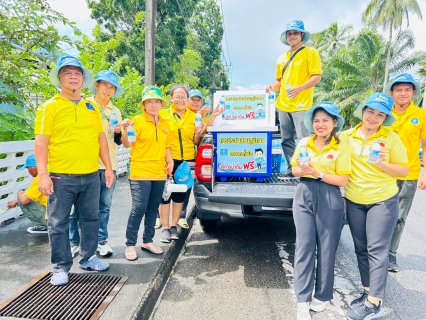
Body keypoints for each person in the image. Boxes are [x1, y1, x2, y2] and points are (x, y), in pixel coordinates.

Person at [34, 55, 114, 286]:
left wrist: (108, 168)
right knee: (58, 223)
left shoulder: (91, 107)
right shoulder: (49, 107)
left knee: (90, 219)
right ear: (59, 78)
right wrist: (43, 175)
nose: (73, 77)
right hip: (61, 177)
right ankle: (60, 267)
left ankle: (88, 257)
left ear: (83, 79)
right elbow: (41, 143)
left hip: (91, 176)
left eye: (77, 73)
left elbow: (101, 140)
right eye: (67, 73)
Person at [340, 93, 409, 320]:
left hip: (382, 200)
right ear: (363, 110)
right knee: (360, 248)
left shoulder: (390, 138)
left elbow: (404, 171)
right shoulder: (346, 136)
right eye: (370, 111)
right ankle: (369, 292)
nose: (373, 117)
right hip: (354, 200)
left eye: (380, 114)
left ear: (385, 118)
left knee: (377, 250)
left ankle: (374, 304)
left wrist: (381, 163)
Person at [291, 102, 351, 320]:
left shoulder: (340, 146)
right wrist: (305, 171)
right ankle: (302, 300)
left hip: (329, 194)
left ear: (334, 122)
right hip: (304, 193)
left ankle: (323, 295)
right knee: (304, 246)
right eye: (316, 120)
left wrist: (317, 173)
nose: (320, 124)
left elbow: (342, 179)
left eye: (326, 120)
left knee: (327, 246)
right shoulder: (305, 142)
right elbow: (295, 169)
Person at [69, 70, 124, 258]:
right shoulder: (85, 105)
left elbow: (117, 141)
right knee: (79, 206)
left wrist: (118, 132)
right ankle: (75, 242)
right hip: (87, 164)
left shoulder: (115, 111)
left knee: (104, 206)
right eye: (105, 85)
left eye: (111, 87)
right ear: (96, 85)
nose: (108, 90)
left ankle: (101, 242)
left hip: (110, 164)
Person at [121, 86, 173, 260]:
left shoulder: (165, 123)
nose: (153, 105)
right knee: (138, 208)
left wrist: (170, 161)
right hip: (140, 171)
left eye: (156, 101)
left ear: (161, 104)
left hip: (159, 172)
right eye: (149, 102)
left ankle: (147, 240)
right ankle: (130, 244)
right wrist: (126, 129)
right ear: (144, 104)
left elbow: (166, 145)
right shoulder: (136, 121)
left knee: (152, 209)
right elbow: (128, 145)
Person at [266, 20, 322, 179]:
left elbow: (317, 76)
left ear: (302, 35)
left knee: (304, 139)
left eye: (295, 33)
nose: (292, 36)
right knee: (286, 139)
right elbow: (279, 82)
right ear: (286, 37)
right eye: (289, 33)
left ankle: (307, 170)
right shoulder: (281, 58)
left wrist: (300, 88)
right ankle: (293, 169)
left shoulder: (310, 52)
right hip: (283, 105)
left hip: (302, 105)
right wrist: (271, 86)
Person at [384, 73, 426, 272]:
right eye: (398, 90)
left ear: (414, 93)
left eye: (407, 90)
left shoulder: (421, 115)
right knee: (379, 214)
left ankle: (391, 254)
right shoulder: (383, 113)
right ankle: (374, 250)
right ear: (391, 93)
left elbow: (425, 146)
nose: (403, 93)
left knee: (400, 217)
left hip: (409, 175)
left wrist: (425, 174)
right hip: (384, 173)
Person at [155, 88, 209, 231]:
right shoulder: (162, 114)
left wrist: (199, 133)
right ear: (171, 98)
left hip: (188, 159)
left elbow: (196, 141)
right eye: (177, 97)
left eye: (183, 97)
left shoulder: (194, 116)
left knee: (183, 191)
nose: (180, 100)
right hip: (167, 159)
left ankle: (178, 220)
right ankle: (161, 220)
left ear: (187, 99)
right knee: (164, 192)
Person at [7, 154, 48, 234]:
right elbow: (35, 197)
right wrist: (17, 201)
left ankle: (44, 226)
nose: (28, 171)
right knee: (24, 198)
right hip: (63, 217)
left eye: (28, 168)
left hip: (52, 219)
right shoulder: (49, 173)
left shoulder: (40, 178)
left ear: (33, 167)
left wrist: (19, 192)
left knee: (22, 198)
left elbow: (24, 201)